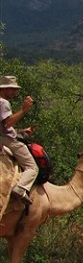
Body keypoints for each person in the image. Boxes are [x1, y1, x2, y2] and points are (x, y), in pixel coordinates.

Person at [0, 76, 38, 206]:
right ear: (4, 89)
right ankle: (20, 188)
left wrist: (21, 131)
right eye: (12, 89)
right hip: (8, 140)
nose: (14, 92)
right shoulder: (3, 103)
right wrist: (24, 109)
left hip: (3, 137)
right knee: (32, 167)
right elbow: (8, 123)